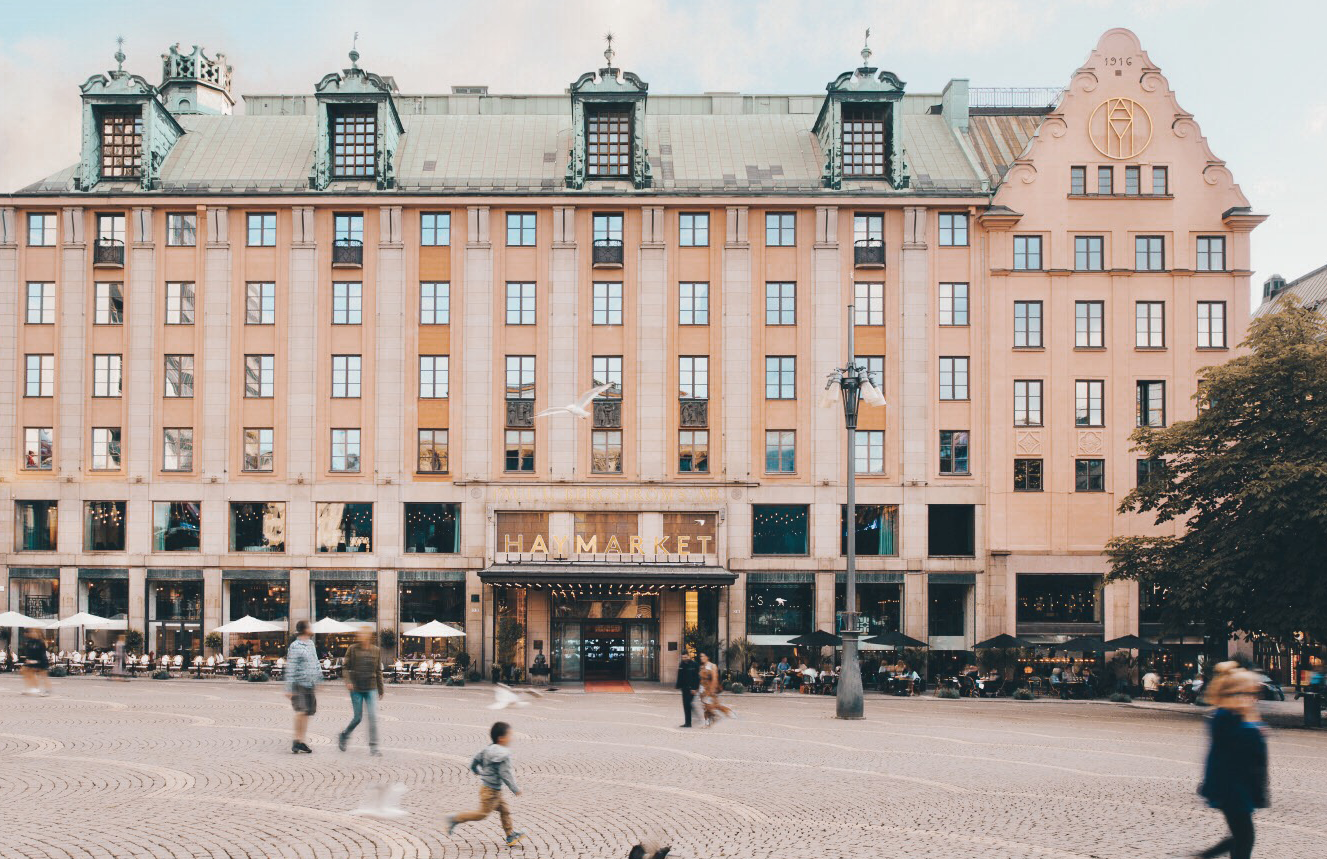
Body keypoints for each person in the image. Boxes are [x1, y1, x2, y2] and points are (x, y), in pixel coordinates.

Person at [1195, 664, 1268, 859]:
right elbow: (1249, 743)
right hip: (1232, 789)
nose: (1253, 698)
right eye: (1249, 693)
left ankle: (1204, 856)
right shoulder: (1226, 718)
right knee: (1244, 837)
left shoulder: (1230, 716)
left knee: (1241, 836)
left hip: (1236, 788)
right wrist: (1256, 727)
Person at [446, 721, 526, 846]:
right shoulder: (503, 755)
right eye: (509, 735)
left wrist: (475, 769)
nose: (511, 738)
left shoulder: (487, 749)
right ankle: (454, 818)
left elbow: (475, 759)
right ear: (501, 738)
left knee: (505, 810)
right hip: (491, 792)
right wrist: (515, 788)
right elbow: (505, 774)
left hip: (489, 789)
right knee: (481, 814)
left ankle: (510, 835)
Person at [338, 627, 384, 756]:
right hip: (356, 688)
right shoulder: (352, 649)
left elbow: (378, 671)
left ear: (369, 636)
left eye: (365, 634)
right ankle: (344, 735)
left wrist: (380, 688)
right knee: (358, 718)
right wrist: (348, 681)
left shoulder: (376, 650)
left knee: (373, 717)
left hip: (371, 687)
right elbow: (345, 667)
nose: (363, 636)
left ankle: (374, 747)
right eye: (361, 634)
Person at [285, 619, 321, 754]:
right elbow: (291, 667)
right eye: (309, 626)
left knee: (307, 712)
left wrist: (319, 679)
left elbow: (316, 662)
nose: (312, 628)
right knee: (301, 711)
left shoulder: (311, 644)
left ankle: (301, 740)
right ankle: (296, 740)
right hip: (298, 684)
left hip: (310, 684)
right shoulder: (295, 646)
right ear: (305, 630)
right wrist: (288, 688)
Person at [697, 653, 732, 724]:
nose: (701, 658)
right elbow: (700, 679)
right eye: (700, 656)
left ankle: (725, 713)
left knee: (712, 705)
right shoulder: (702, 667)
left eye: (703, 656)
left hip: (709, 689)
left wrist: (712, 690)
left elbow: (715, 679)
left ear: (707, 657)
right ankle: (707, 722)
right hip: (702, 689)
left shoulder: (712, 666)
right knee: (705, 706)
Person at [21, 628, 51, 696]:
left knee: (43, 675)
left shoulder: (41, 642)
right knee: (27, 672)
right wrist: (28, 659)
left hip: (41, 661)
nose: (32, 633)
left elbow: (42, 653)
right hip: (32, 661)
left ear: (38, 633)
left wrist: (36, 661)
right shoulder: (30, 641)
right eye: (32, 632)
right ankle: (33, 688)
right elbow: (29, 652)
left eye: (34, 632)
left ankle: (47, 690)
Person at [674, 651, 700, 727]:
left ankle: (696, 716)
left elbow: (697, 678)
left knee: (689, 704)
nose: (684, 659)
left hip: (692, 689)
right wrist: (678, 686)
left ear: (689, 656)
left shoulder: (694, 664)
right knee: (686, 705)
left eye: (685, 657)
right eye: (683, 657)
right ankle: (687, 723)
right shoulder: (682, 664)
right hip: (684, 688)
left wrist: (695, 688)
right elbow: (680, 675)